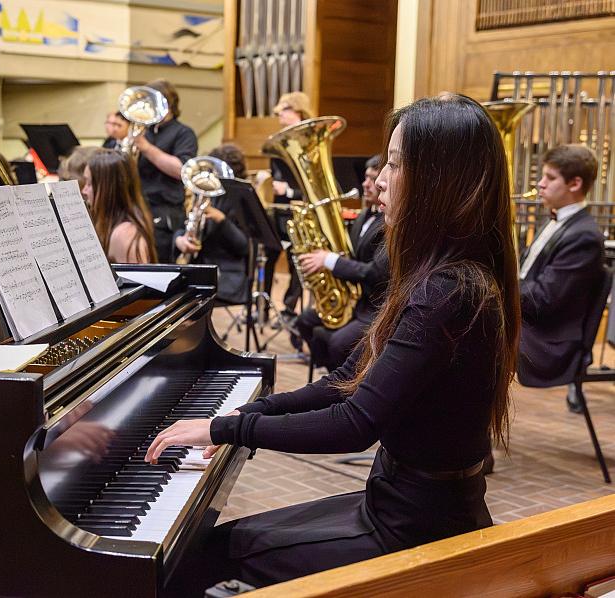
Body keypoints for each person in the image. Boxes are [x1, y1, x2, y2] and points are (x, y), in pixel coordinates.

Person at [146, 94, 520, 589]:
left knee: (200, 556)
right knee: (211, 545)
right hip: (401, 502)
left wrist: (225, 432)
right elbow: (349, 379)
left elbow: (354, 425)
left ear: (439, 181)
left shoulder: (447, 292)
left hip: (412, 527)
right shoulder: (445, 276)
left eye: (394, 164)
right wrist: (247, 413)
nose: (380, 181)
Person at [517, 144, 604, 410]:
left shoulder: (584, 235)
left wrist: (498, 284)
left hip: (547, 340)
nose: (540, 185)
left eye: (550, 178)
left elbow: (543, 301)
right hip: (529, 321)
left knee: (469, 334)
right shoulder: (556, 222)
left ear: (575, 183)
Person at [290, 154, 389, 370]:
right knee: (304, 322)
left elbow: (376, 273)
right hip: (352, 299)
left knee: (337, 343)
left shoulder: (388, 224)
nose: (366, 184)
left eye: (373, 179)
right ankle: (332, 378)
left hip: (373, 306)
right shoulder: (362, 215)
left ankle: (345, 386)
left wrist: (329, 260)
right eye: (366, 177)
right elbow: (350, 255)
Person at [172, 144, 250, 304]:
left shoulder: (243, 202)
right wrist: (180, 240)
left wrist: (221, 220)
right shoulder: (203, 194)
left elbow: (244, 247)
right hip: (197, 268)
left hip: (226, 275)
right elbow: (180, 227)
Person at [133, 79, 198, 263]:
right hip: (138, 210)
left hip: (164, 216)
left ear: (167, 104)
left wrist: (145, 147)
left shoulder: (184, 133)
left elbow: (182, 171)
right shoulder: (145, 131)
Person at [260, 91, 313, 318]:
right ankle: (262, 305)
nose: (279, 114)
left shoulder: (310, 141)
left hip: (298, 210)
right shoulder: (278, 140)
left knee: (296, 261)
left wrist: (289, 190)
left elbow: (312, 184)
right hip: (279, 210)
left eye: (284, 109)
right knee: (269, 256)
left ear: (298, 111)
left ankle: (290, 309)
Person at [82, 148, 158, 264]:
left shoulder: (124, 235)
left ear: (108, 189)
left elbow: (134, 282)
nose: (84, 190)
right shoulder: (113, 224)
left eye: (89, 183)